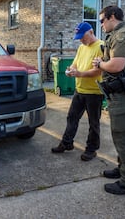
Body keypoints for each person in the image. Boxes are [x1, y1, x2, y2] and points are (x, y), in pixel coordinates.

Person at [92, 5, 125, 196]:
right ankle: (123, 170)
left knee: (123, 136)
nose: (101, 24)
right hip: (121, 92)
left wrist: (100, 64)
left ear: (112, 17)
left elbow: (116, 65)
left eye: (102, 20)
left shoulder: (122, 35)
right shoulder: (121, 33)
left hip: (123, 93)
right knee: (122, 134)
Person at [51, 22, 104, 161]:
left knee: (94, 123)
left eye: (83, 37)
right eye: (79, 37)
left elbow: (98, 70)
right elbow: (75, 64)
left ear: (91, 32)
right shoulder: (81, 47)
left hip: (94, 92)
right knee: (72, 118)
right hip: (79, 90)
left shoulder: (101, 46)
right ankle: (67, 143)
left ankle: (91, 150)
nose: (81, 40)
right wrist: (70, 70)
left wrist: (79, 73)